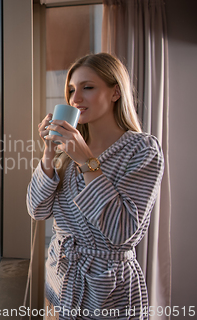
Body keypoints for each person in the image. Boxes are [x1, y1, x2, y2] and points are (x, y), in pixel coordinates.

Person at [27, 53, 164, 320]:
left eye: (87, 87)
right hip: (60, 281)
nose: (75, 99)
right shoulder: (65, 152)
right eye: (71, 90)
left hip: (108, 291)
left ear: (115, 92)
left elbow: (121, 230)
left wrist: (86, 161)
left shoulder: (142, 149)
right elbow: (37, 210)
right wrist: (48, 156)